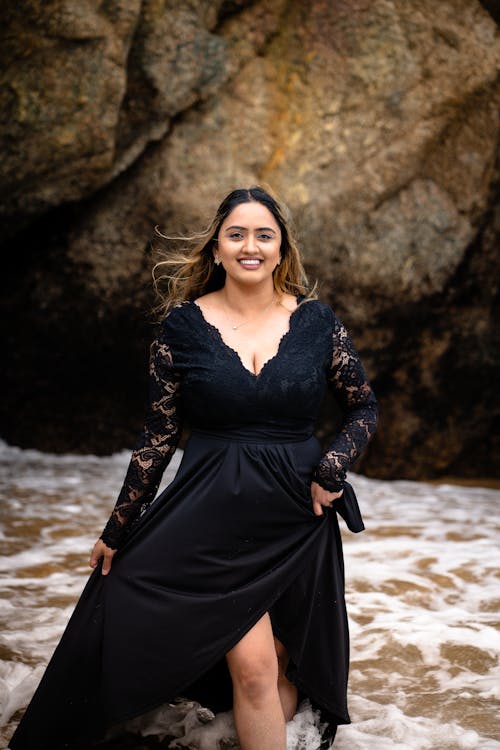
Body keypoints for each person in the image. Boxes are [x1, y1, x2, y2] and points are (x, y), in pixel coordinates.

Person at [9, 186, 378, 750]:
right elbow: (157, 438)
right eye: (236, 234)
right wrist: (118, 526)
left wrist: (332, 467)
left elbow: (363, 405)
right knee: (252, 668)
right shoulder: (181, 328)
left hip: (293, 518)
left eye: (263, 235)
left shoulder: (318, 322)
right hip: (211, 517)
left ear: (281, 250)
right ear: (216, 249)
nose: (249, 246)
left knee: (278, 666)